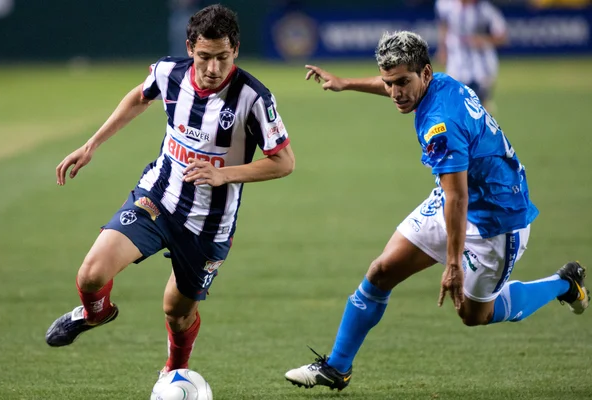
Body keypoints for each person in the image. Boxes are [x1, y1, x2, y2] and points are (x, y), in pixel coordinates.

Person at [284, 31, 588, 391]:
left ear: (424, 73)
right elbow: (453, 192)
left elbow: (458, 197)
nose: (395, 92)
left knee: (475, 315)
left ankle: (563, 284)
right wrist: (346, 83)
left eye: (402, 83)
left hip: (497, 218)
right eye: (388, 83)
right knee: (381, 271)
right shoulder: (436, 82)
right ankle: (337, 367)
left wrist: (454, 264)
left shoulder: (440, 125)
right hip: (459, 197)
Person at [45, 4, 295, 379]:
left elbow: (284, 161)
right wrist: (92, 144)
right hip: (157, 198)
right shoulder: (168, 71)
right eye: (205, 57)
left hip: (208, 225)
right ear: (190, 47)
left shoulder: (254, 98)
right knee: (91, 275)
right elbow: (139, 97)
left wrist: (224, 175)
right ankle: (95, 314)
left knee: (176, 313)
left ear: (236, 51)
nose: (213, 69)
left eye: (223, 58)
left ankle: (174, 372)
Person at [435, 0, 508, 110]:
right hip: (456, 64)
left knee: (479, 107)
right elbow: (444, 25)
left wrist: (483, 40)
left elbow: (502, 36)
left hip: (481, 66)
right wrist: (442, 49)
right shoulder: (446, 5)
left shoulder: (484, 10)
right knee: (454, 104)